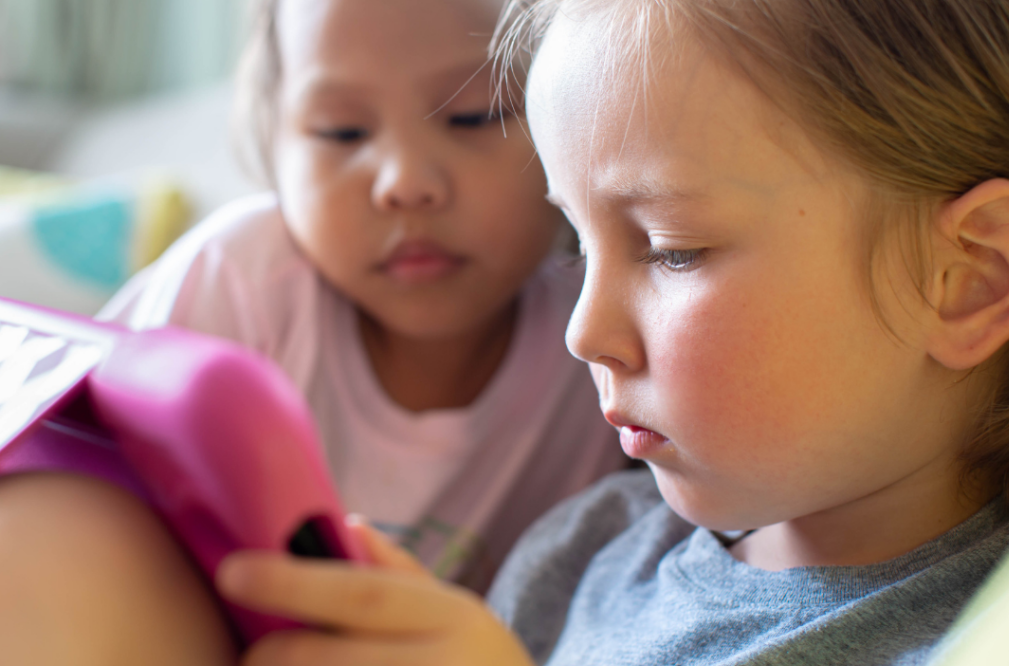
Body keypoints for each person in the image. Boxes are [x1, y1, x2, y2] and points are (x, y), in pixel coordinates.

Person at [4, 0, 1009, 666]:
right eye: (578, 247)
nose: (583, 328)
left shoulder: (973, 629)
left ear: (972, 277)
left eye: (671, 249)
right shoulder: (577, 553)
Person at [94, 0, 624, 592]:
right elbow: (68, 485)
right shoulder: (239, 281)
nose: (405, 182)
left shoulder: (608, 332)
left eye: (472, 116)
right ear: (275, 146)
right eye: (342, 131)